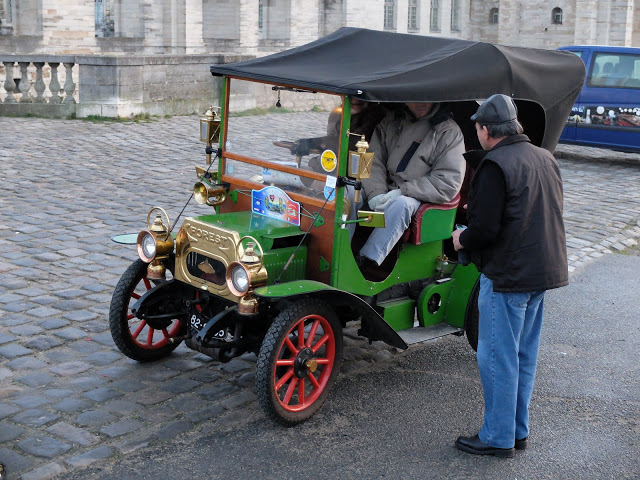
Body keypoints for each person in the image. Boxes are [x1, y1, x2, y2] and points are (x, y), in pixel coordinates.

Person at [451, 94, 569, 458]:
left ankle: (498, 437)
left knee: (497, 357)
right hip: (542, 273)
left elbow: (485, 231)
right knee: (522, 356)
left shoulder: (494, 164)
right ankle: (517, 430)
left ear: (486, 130)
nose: (477, 135)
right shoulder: (544, 157)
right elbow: (534, 210)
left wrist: (460, 239)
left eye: (477, 129)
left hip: (508, 277)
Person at [355, 102, 466, 267]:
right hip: (384, 189)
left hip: (418, 196)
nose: (421, 103)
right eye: (415, 98)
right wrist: (375, 193)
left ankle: (366, 261)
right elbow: (373, 161)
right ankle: (338, 247)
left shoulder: (448, 132)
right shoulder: (391, 122)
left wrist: (403, 191)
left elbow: (447, 181)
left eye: (426, 97)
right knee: (348, 191)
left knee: (402, 204)